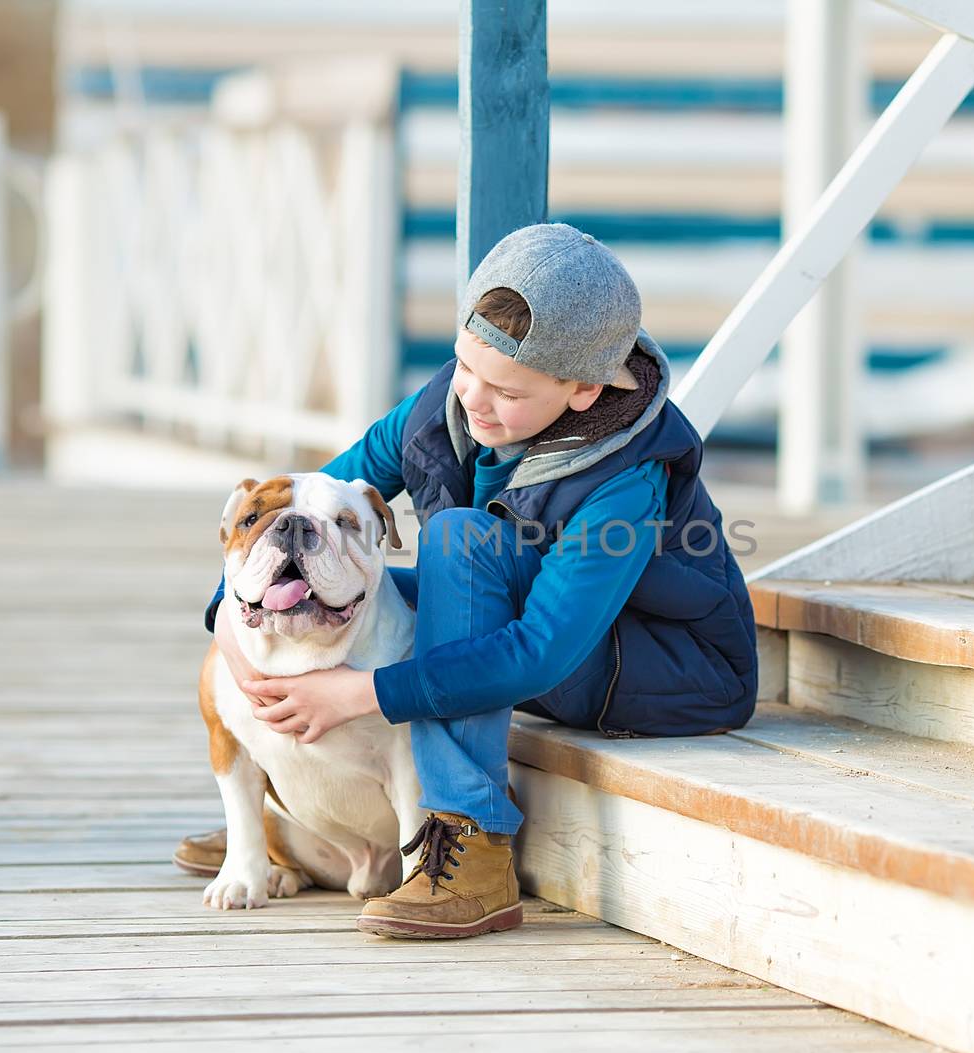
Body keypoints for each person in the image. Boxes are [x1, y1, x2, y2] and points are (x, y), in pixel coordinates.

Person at [183, 222, 758, 938]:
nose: (475, 400)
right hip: (538, 615)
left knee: (457, 542)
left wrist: (365, 693)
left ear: (583, 389)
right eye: (464, 367)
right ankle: (309, 815)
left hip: (655, 665)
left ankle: (470, 844)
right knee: (353, 573)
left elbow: (541, 652)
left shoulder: (627, 485)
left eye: (505, 391)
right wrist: (232, 616)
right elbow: (310, 501)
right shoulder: (454, 401)